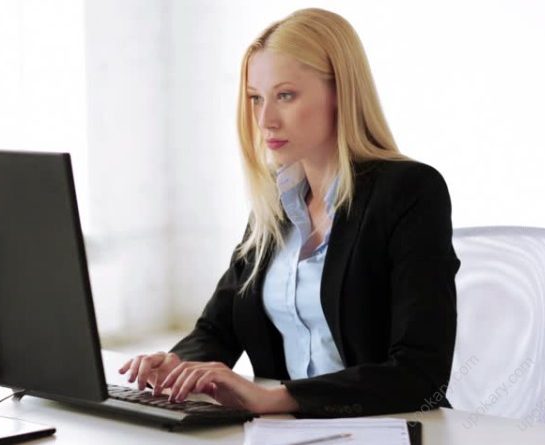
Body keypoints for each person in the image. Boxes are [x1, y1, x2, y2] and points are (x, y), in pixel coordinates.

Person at [119, 7, 460, 418]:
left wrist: (276, 397)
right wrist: (177, 367)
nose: (266, 120)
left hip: (387, 427)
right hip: (289, 432)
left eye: (285, 95)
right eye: (256, 98)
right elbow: (217, 329)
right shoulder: (277, 202)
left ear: (341, 92)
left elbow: (420, 373)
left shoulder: (409, 192)